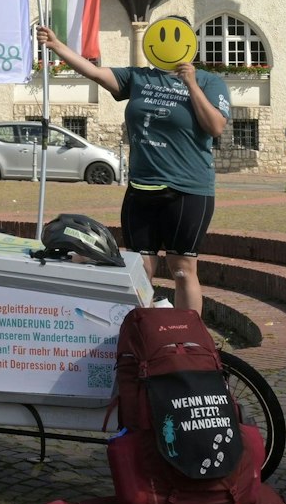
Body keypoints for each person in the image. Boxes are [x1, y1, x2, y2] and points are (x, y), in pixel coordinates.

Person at [35, 21, 228, 314]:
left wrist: (190, 83)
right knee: (140, 268)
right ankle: (144, 331)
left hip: (188, 189)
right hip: (142, 188)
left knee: (182, 268)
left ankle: (188, 336)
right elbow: (95, 72)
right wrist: (57, 45)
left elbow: (215, 126)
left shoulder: (208, 82)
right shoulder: (138, 77)